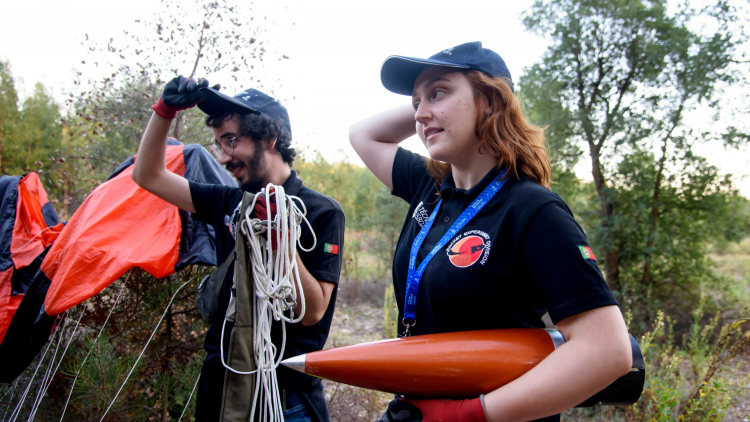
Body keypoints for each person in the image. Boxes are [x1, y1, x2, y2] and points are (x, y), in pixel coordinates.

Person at [348, 42, 632, 422]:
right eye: (416, 103)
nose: (421, 114)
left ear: (491, 100)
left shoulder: (533, 209)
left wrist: (472, 414)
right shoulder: (428, 184)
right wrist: (430, 102)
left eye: (438, 92)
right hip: (414, 409)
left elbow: (607, 351)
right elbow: (363, 134)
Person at [132, 76, 345, 421]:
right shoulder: (230, 201)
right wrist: (164, 111)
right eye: (218, 144)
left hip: (283, 398)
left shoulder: (320, 211)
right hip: (221, 384)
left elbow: (313, 312)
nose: (223, 157)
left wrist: (281, 243)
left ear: (269, 138)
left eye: (231, 141)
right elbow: (148, 175)